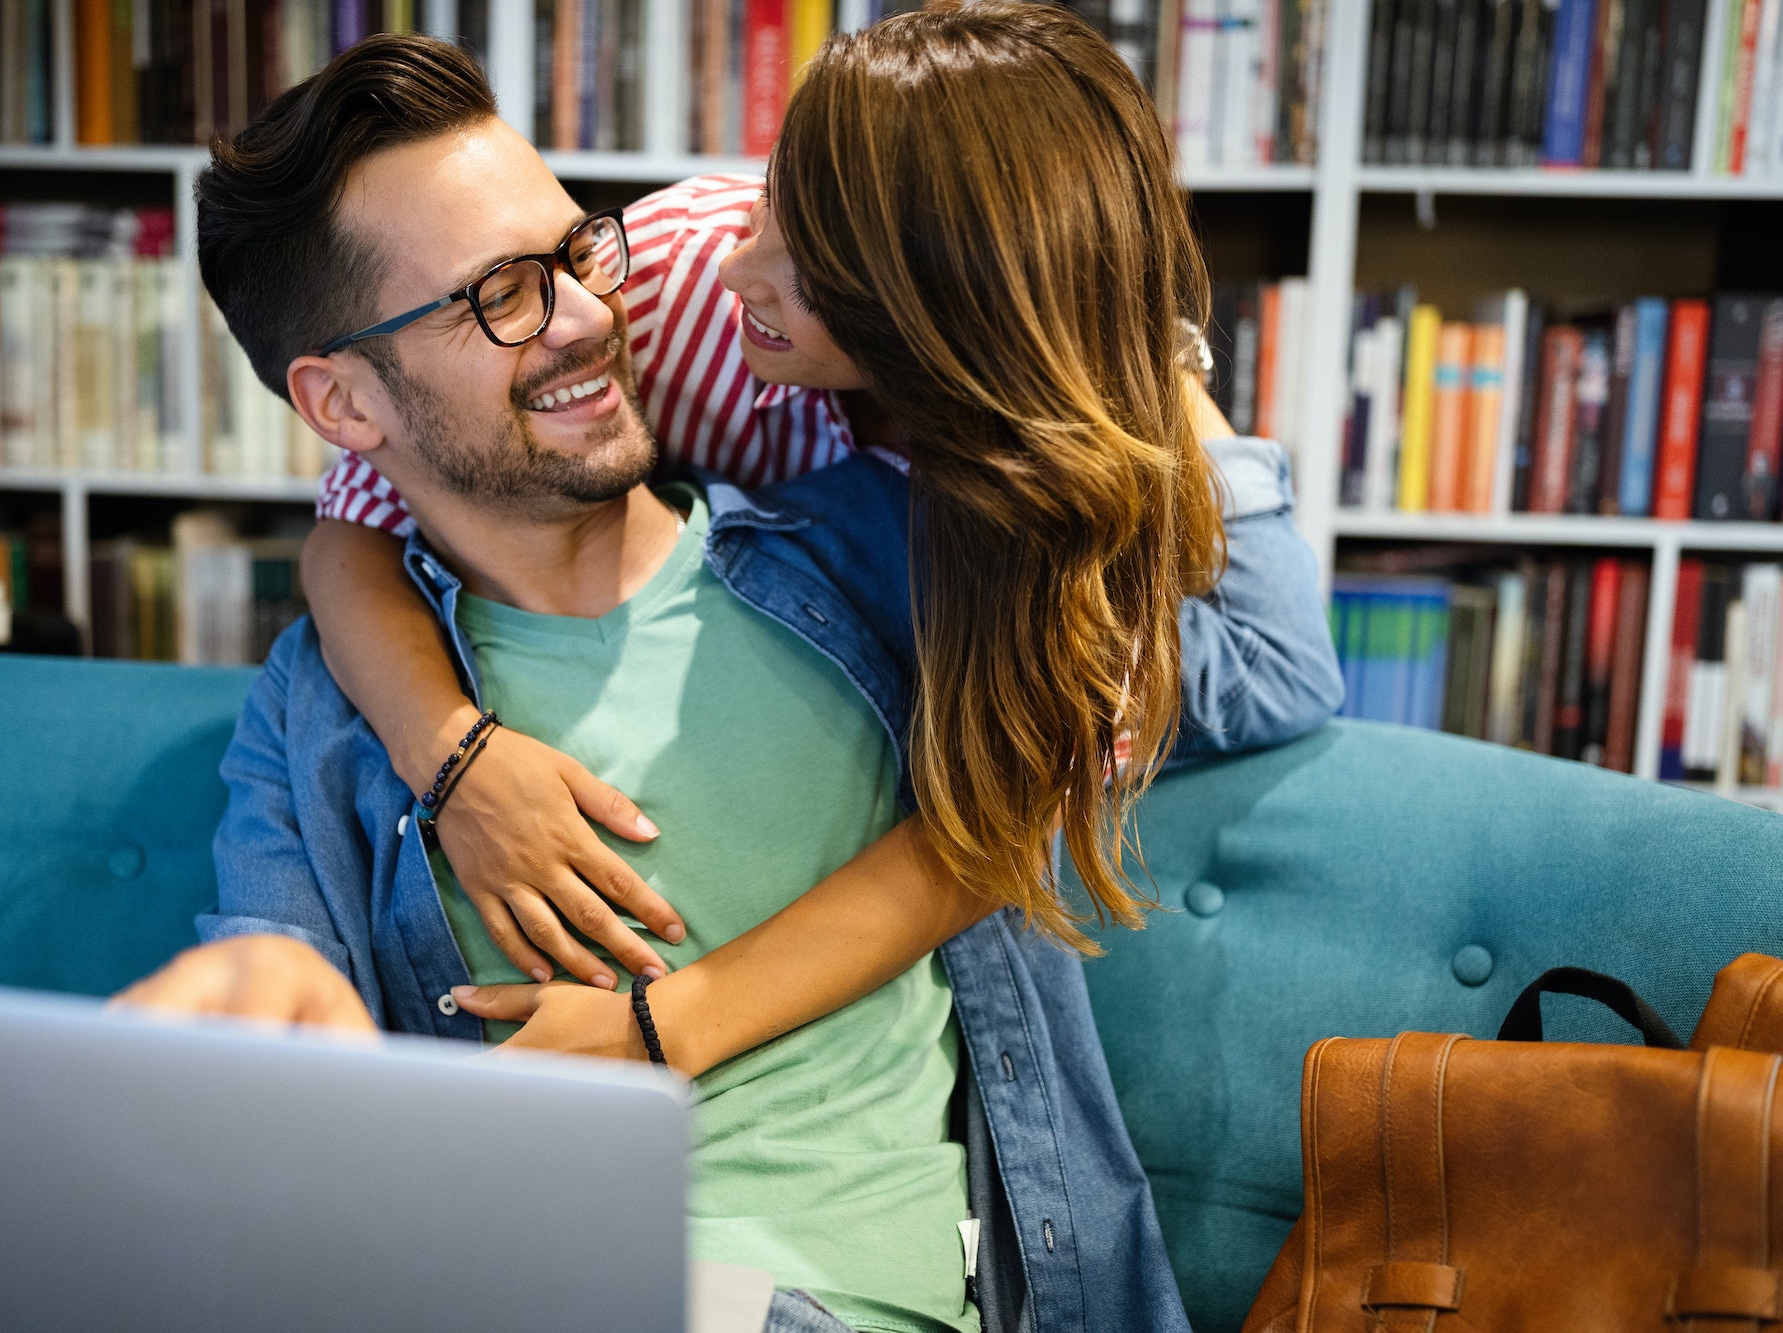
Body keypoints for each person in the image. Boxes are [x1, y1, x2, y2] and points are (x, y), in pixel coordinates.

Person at [117, 12, 1338, 1330]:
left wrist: (1133, 338)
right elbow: (275, 944)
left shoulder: (891, 556)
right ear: (342, 404)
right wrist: (276, 993)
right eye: (500, 295)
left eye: (573, 249)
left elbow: (1249, 669)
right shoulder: (326, 699)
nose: (591, 312)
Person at [296, 11, 1339, 997]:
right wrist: (456, 758)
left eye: (809, 272)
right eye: (765, 206)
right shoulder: (663, 281)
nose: (742, 266)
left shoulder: (1004, 517)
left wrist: (1151, 367)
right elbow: (354, 531)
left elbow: (1273, 671)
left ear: (936, 322)